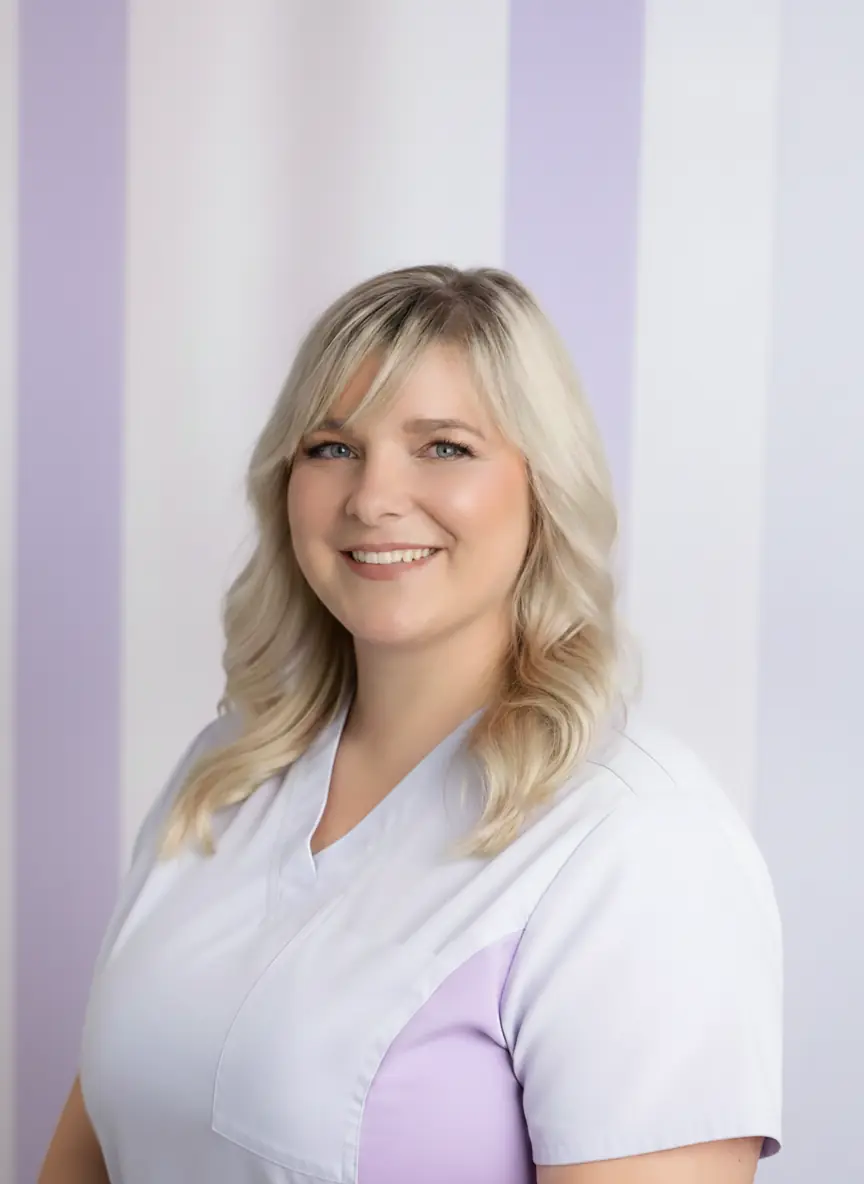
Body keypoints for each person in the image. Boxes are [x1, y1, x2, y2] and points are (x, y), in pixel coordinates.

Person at [39, 265, 783, 1184]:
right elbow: (90, 1146)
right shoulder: (224, 777)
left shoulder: (641, 847)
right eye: (332, 447)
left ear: (543, 486)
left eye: (444, 447)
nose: (372, 497)